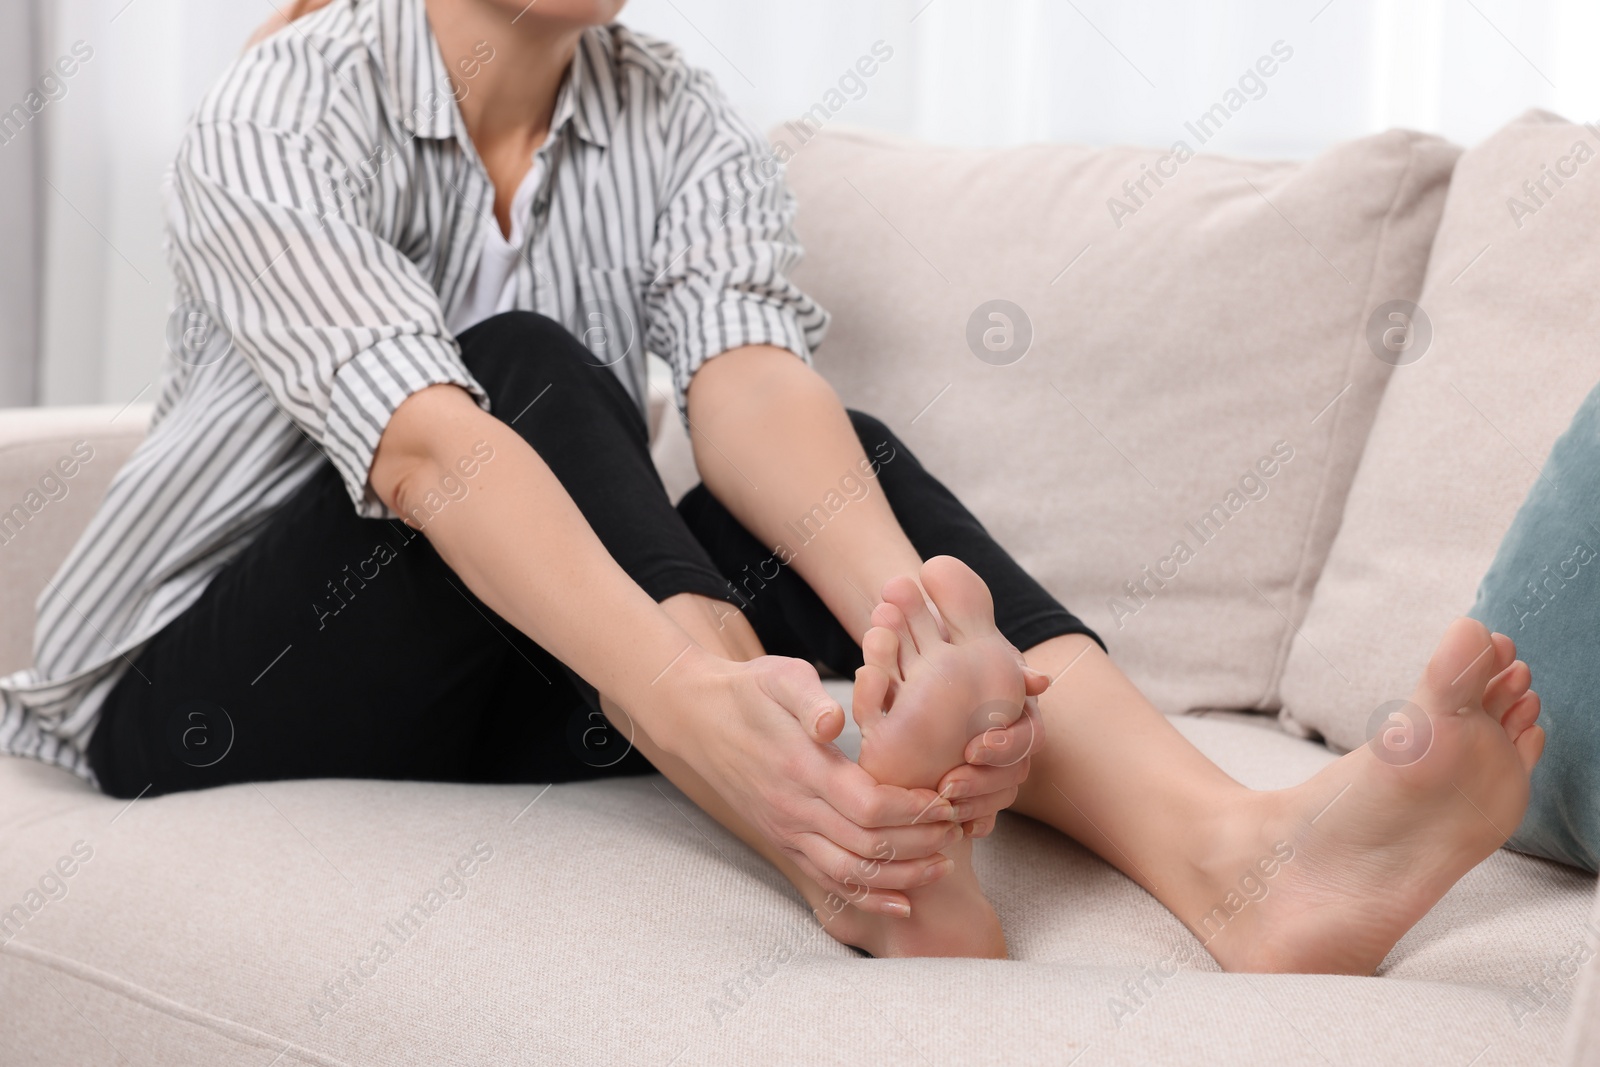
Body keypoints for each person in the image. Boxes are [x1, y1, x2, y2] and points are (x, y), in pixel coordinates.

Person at [0, 0, 1546, 968]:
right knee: (526, 367)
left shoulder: (676, 118)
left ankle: (1237, 864)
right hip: (191, 693)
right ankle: (825, 817)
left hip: (499, 654)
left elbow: (746, 391)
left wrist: (905, 626)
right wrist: (697, 701)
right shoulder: (285, 108)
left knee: (835, 462)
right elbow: (430, 447)